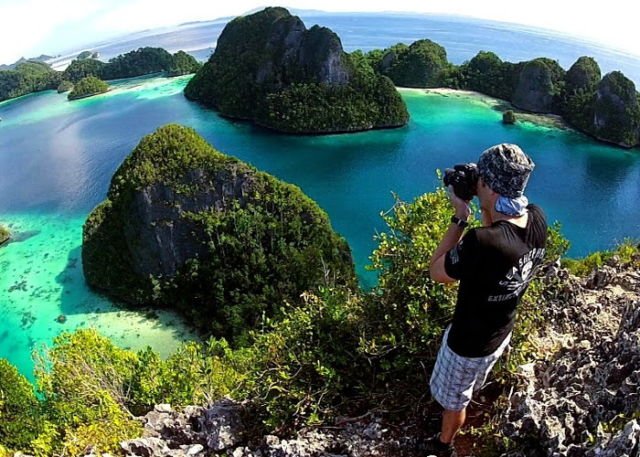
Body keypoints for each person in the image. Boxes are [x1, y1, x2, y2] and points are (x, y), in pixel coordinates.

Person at [424, 143, 548, 456]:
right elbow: (502, 230)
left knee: (454, 401)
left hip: (466, 344)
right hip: (500, 333)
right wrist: (486, 203)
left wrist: (460, 217)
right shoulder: (536, 220)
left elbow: (437, 271)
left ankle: (444, 444)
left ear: (489, 185)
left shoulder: (482, 242)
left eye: (481, 178)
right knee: (468, 386)